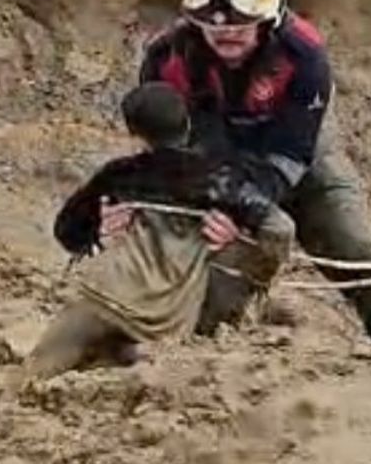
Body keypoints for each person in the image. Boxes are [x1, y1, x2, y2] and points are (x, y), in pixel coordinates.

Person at [104, 0, 371, 341]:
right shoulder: (166, 61)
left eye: (241, 24)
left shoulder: (305, 57)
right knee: (233, 241)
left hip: (298, 153)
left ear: (269, 19)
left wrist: (242, 207)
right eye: (213, 27)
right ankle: (201, 333)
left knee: (354, 241)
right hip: (213, 160)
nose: (227, 33)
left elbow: (292, 154)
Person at [22, 82, 294, 382]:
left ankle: (105, 355)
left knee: (32, 375)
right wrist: (253, 268)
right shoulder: (220, 180)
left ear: (136, 135)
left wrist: (99, 232)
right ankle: (127, 354)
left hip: (103, 298)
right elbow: (280, 229)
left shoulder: (119, 175)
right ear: (187, 124)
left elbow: (66, 230)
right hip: (166, 322)